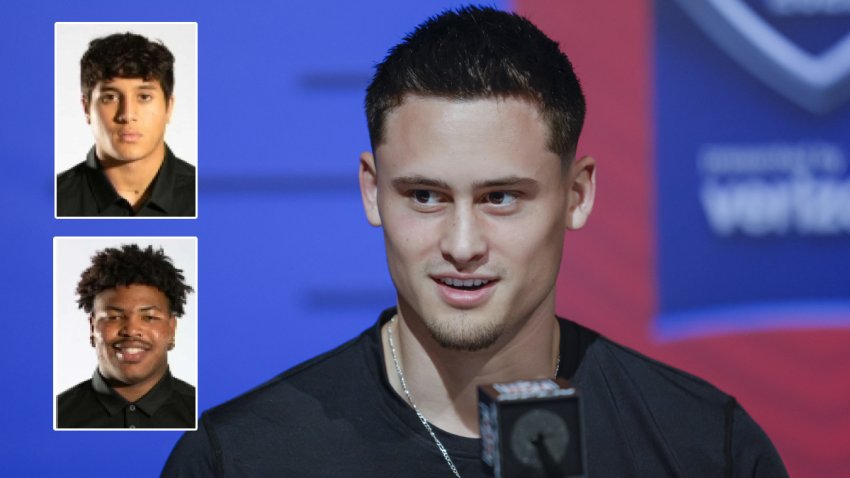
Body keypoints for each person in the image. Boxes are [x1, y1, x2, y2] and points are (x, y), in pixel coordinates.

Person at [163, 6, 787, 476]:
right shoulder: (239, 460)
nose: (462, 245)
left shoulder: (706, 446)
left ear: (577, 195)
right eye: (425, 196)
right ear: (371, 192)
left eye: (501, 197)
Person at [56, 32, 196, 217]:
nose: (127, 115)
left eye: (144, 97)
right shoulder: (53, 200)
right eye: (110, 97)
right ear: (87, 108)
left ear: (168, 107)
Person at [57, 244, 195, 429]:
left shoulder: (206, 415)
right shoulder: (57, 414)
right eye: (114, 317)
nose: (131, 330)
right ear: (92, 328)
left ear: (172, 329)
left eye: (149, 317)